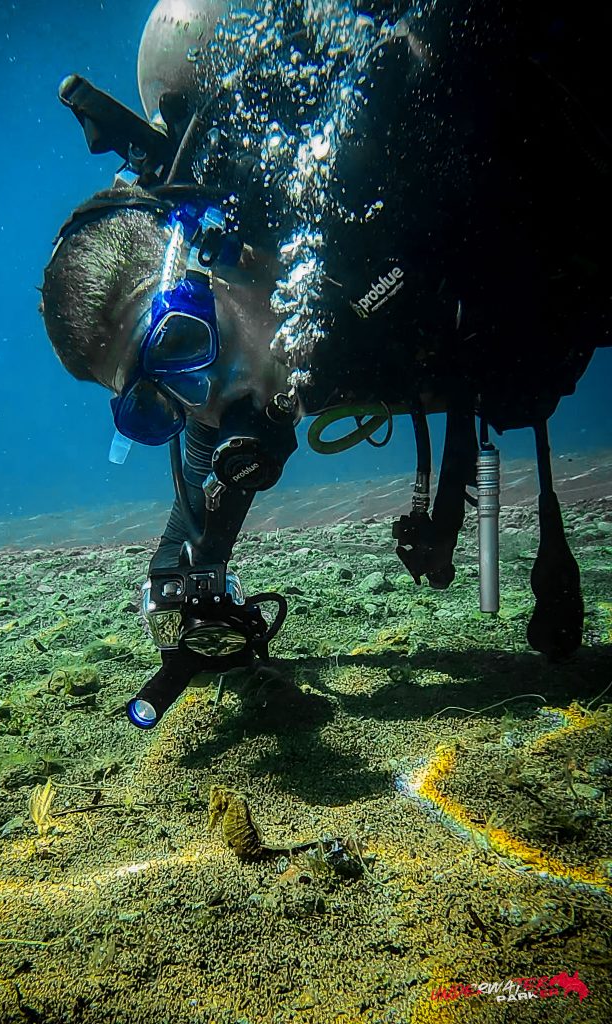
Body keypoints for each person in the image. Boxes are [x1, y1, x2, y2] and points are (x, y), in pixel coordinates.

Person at [41, 0, 610, 728]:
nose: (206, 406)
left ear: (218, 252)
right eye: (157, 404)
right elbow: (197, 510)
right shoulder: (239, 358)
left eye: (183, 344)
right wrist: (179, 594)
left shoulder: (411, 159)